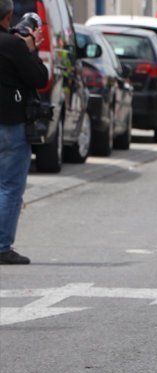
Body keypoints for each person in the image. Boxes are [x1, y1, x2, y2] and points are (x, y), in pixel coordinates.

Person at [0, 0, 48, 265]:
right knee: (9, 186)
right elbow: (39, 78)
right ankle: (2, 246)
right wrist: (30, 50)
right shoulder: (12, 45)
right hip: (9, 123)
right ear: (8, 16)